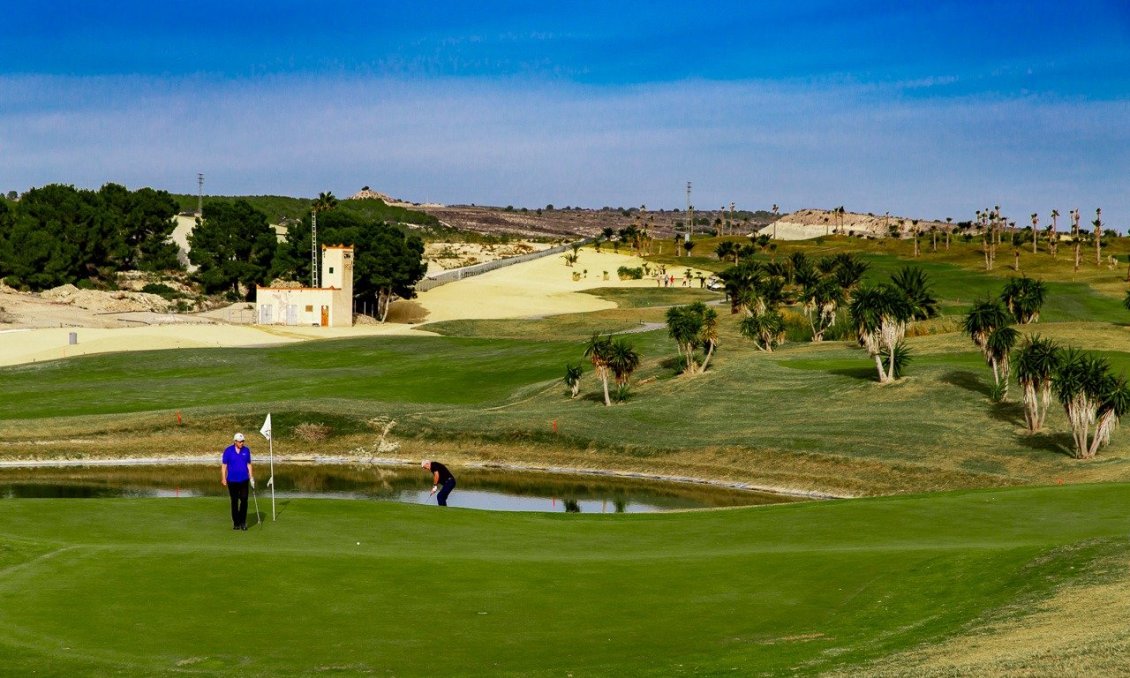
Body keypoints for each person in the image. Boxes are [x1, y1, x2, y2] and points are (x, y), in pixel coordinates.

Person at [221, 432, 255, 530]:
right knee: (234, 501)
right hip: (232, 480)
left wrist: (251, 477)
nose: (242, 443)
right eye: (240, 442)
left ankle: (243, 522)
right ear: (235, 441)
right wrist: (223, 478)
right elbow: (224, 466)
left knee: (244, 500)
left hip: (244, 479)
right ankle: (236, 523)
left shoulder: (246, 451)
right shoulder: (228, 451)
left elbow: (249, 464)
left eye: (243, 441)